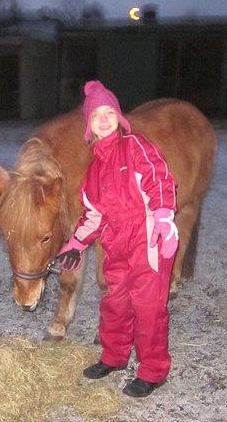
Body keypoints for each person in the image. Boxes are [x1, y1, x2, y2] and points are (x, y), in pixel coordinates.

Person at [55, 80, 178, 398]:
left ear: (120, 118)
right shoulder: (93, 171)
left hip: (147, 237)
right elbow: (93, 214)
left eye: (110, 112)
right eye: (97, 115)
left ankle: (153, 370)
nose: (105, 119)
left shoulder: (135, 146)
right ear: (89, 124)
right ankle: (114, 356)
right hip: (116, 242)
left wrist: (164, 217)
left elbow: (159, 177)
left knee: (148, 306)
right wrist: (77, 243)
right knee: (115, 302)